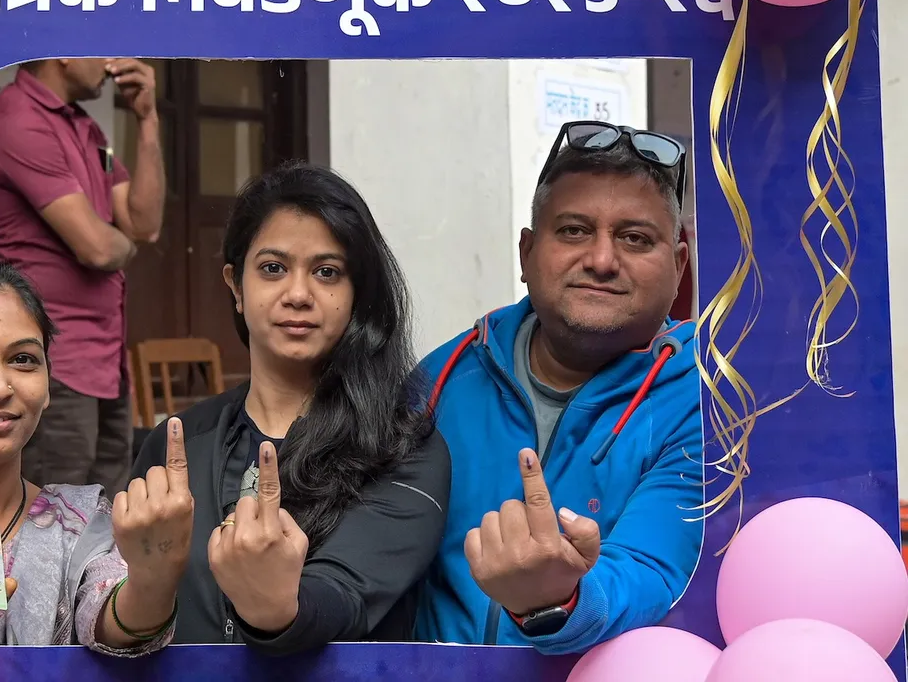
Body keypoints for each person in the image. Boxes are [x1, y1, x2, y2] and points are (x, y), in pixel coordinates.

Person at [130, 162, 451, 655]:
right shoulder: (176, 444)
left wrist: (275, 605)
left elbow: (347, 597)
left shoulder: (404, 447)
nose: (298, 295)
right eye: (273, 268)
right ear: (236, 285)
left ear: (356, 293)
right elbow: (129, 614)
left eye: (327, 272)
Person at [414, 121, 703, 654]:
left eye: (635, 238)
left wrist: (557, 600)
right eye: (573, 231)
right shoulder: (444, 376)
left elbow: (654, 569)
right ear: (527, 254)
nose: (600, 260)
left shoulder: (706, 399)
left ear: (679, 266)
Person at [0, 262, 191, 651]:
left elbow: (112, 622)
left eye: (23, 359)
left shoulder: (82, 523)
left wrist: (152, 580)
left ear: (48, 383)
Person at [0, 57, 165, 494]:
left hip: (103, 358)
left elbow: (144, 222)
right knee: (54, 520)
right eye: (103, 48)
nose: (115, 63)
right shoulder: (19, 121)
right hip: (48, 356)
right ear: (65, 54)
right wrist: (123, 245)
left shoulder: (88, 129)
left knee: (108, 511)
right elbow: (96, 247)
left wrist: (148, 119)